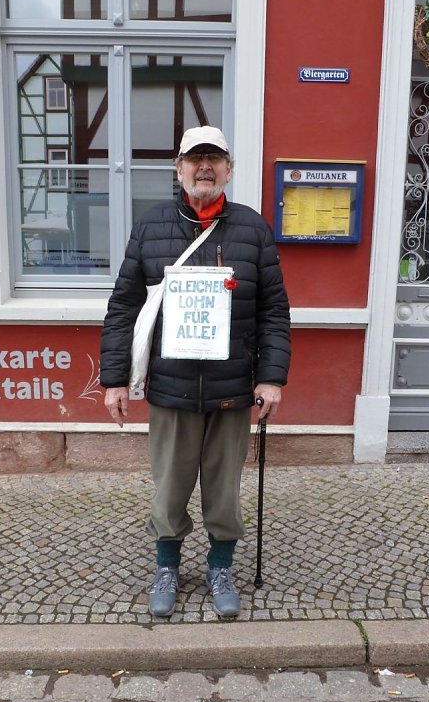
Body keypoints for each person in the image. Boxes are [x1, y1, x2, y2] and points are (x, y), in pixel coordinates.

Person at [100, 125, 290, 618]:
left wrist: (271, 378)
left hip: (231, 387)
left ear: (229, 169)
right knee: (169, 485)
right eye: (194, 159)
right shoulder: (151, 227)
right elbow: (123, 307)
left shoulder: (252, 229)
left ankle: (220, 566)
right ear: (178, 169)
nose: (204, 168)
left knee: (224, 488)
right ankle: (167, 566)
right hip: (171, 387)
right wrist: (114, 379)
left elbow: (274, 311)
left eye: (215, 159)